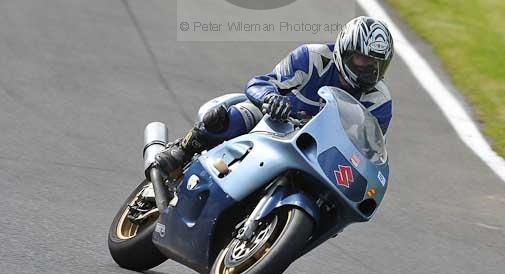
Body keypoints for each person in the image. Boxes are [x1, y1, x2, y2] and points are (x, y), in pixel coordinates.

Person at [155, 16, 394, 179]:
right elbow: (260, 82)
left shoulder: (379, 101)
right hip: (276, 121)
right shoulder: (313, 57)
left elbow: (369, 150)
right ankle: (183, 150)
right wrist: (271, 99)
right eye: (363, 59)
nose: (369, 68)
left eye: (377, 62)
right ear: (345, 51)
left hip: (319, 151)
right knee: (229, 118)